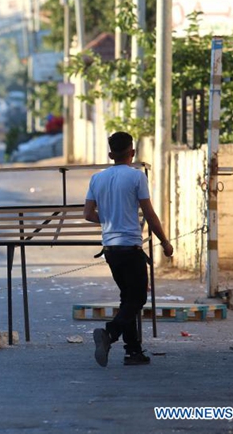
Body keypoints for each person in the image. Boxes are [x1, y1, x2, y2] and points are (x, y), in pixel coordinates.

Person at [83, 132, 174, 367]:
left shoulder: (97, 178)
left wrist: (110, 218)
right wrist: (165, 242)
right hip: (131, 247)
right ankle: (109, 334)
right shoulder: (136, 177)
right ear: (132, 153)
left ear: (110, 154)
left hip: (110, 250)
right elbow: (150, 215)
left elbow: (88, 214)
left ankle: (133, 352)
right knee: (138, 298)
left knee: (128, 299)